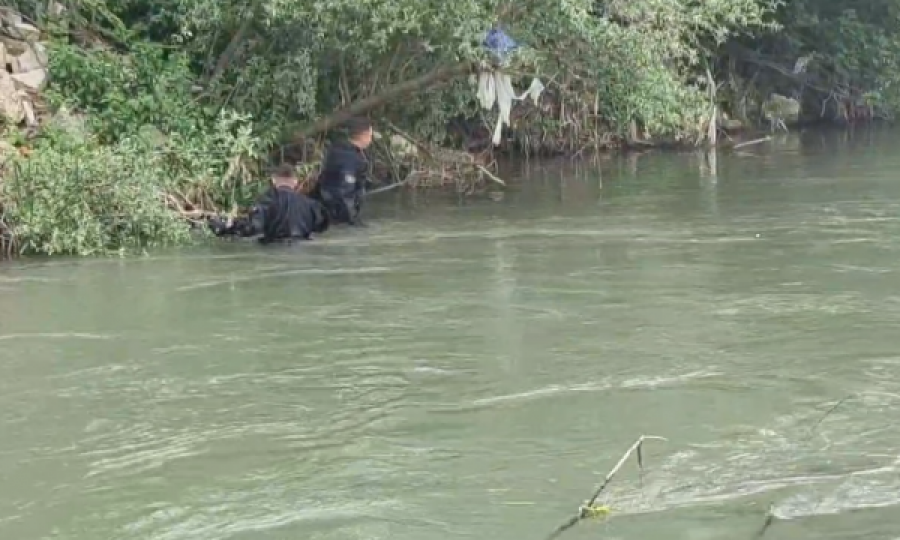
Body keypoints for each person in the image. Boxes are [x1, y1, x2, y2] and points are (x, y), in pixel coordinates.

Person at [209, 164, 329, 243]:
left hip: (274, 248)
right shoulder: (311, 204)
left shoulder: (267, 201)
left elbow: (253, 227)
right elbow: (322, 224)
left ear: (273, 180)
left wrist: (227, 228)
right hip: (303, 248)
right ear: (295, 181)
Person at [314, 117, 374, 227]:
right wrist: (351, 220)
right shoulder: (350, 157)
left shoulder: (338, 149)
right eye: (370, 136)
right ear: (363, 135)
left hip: (325, 207)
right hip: (338, 215)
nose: (371, 139)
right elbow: (344, 191)